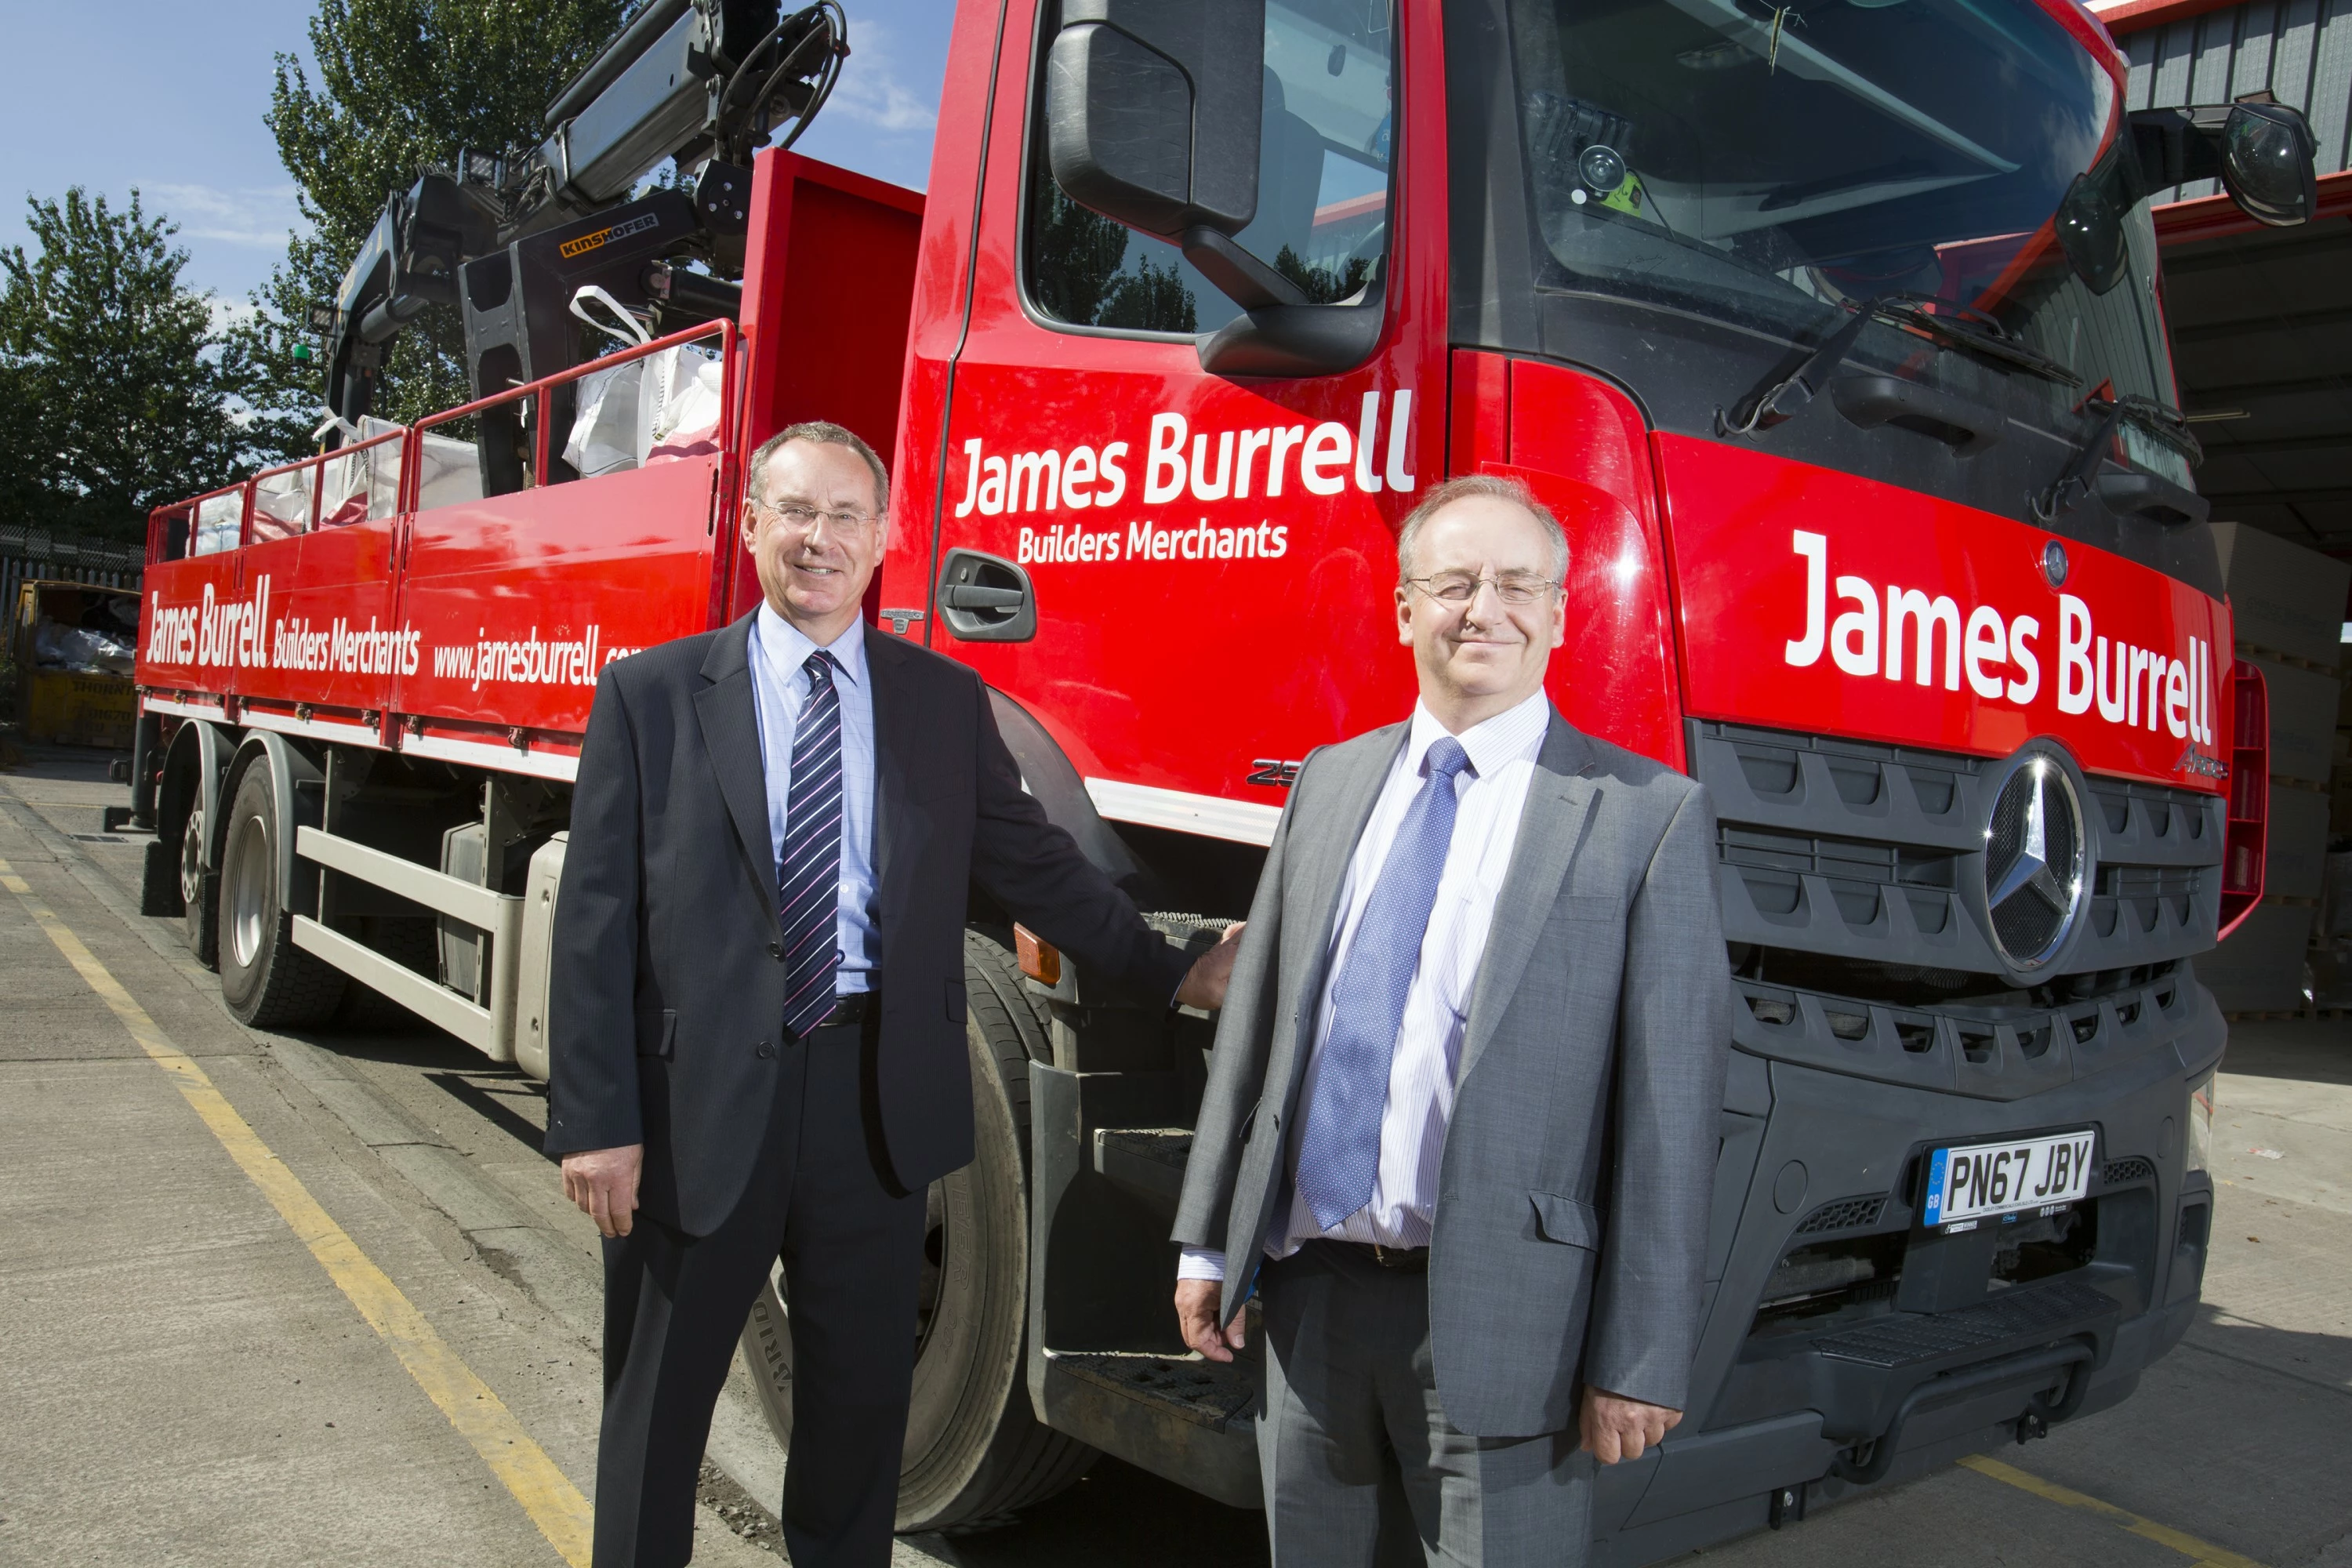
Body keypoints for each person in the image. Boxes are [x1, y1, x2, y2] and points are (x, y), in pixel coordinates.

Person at [547, 420, 1243, 1568]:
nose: (818, 541)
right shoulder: (657, 697)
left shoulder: (938, 703)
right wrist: (599, 1123)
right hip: (696, 1110)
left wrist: (1172, 967)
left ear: (883, 540)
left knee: (859, 1422)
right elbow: (595, 921)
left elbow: (1036, 870)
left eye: (844, 519)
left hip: (876, 1110)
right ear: (753, 524)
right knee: (657, 1417)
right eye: (796, 514)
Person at [1170, 474, 1730, 1566]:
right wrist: (1207, 1240)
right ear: (1403, 607)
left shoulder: (1643, 818)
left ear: (1562, 614)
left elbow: (1671, 1108)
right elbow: (1258, 1035)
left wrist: (1644, 1354)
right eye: (1456, 582)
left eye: (1520, 584)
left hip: (1511, 1325)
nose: (1487, 609)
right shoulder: (1330, 782)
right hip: (1311, 1300)